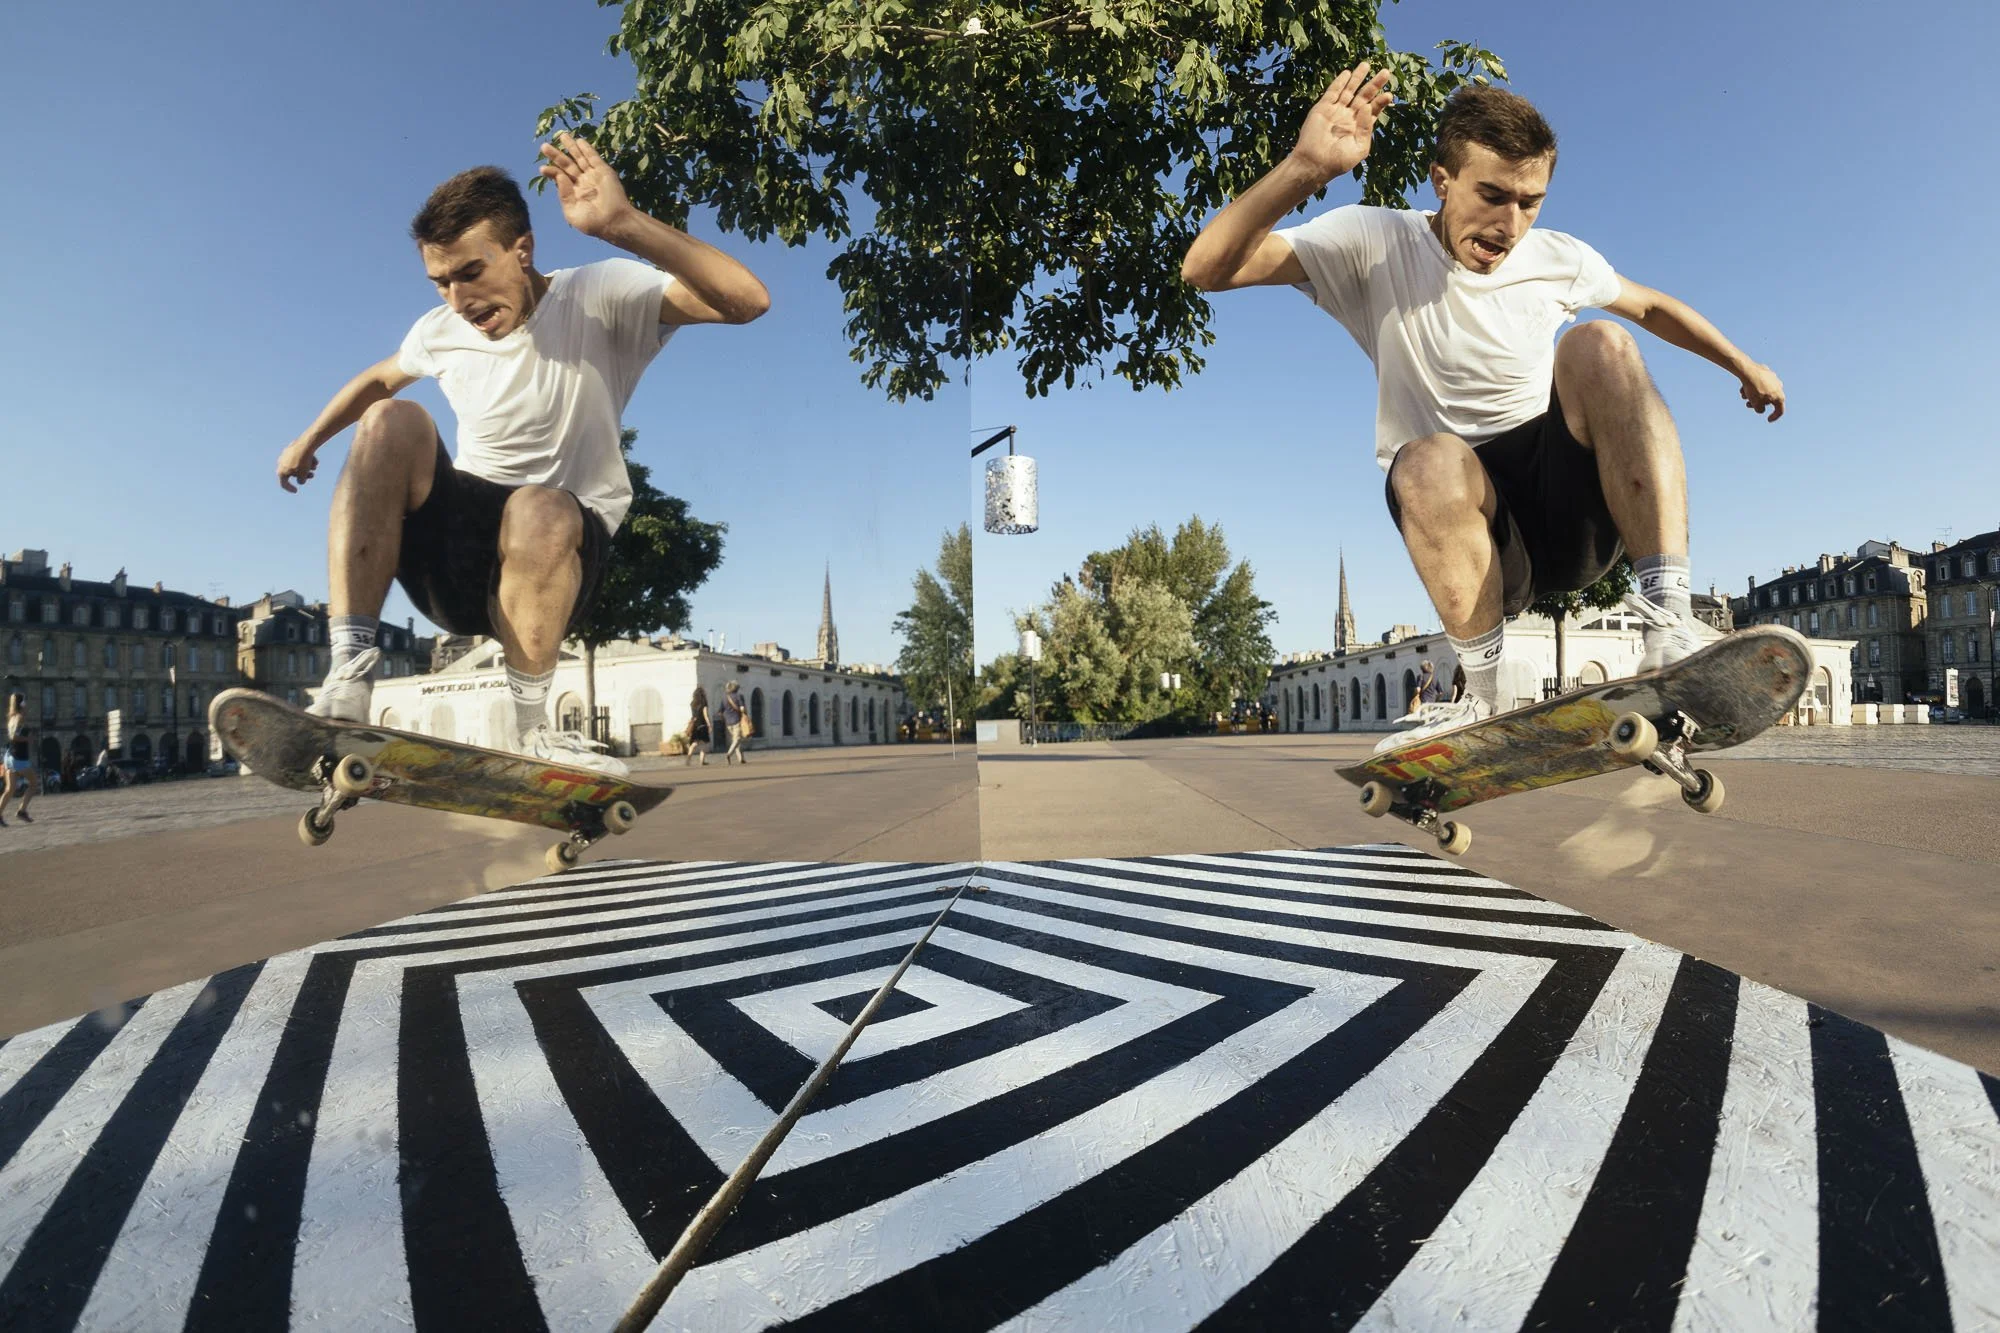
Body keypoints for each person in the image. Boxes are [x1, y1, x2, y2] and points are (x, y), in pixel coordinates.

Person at [1183, 66, 1783, 754]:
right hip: (1471, 528)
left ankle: (1667, 619)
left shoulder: (1558, 257)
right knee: (1427, 458)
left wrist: (1743, 363)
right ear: (1442, 181)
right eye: (1492, 196)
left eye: (1531, 203)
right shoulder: (1372, 242)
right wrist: (1303, 167)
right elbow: (1206, 268)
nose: (1510, 226)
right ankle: (1486, 691)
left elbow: (1650, 306)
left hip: (1570, 511)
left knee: (1601, 342)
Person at [275, 133, 770, 776]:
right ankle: (350, 675)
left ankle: (533, 730)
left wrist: (623, 224)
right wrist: (309, 438)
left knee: (537, 507)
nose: (460, 302)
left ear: (522, 250)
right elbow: (378, 380)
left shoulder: (600, 295)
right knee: (390, 420)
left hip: (559, 555)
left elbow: (747, 301)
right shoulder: (440, 330)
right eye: (441, 282)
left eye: (472, 273)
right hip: (457, 564)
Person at [1, 693, 36, 825]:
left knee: (10, 789)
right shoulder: (20, 718)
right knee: (33, 784)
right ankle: (22, 811)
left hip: (9, 756)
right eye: (25, 702)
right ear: (21, 704)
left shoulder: (11, 718)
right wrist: (28, 738)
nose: (26, 705)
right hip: (19, 758)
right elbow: (14, 737)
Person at [719, 681, 750, 765]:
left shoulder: (724, 698)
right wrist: (745, 714)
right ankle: (729, 754)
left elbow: (720, 711)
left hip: (728, 722)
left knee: (736, 740)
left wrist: (724, 718)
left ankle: (741, 758)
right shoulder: (739, 696)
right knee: (737, 739)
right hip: (737, 720)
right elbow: (742, 708)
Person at [684, 684, 713, 766]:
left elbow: (693, 714)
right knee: (704, 743)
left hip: (695, 724)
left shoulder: (692, 703)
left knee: (694, 743)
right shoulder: (704, 703)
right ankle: (702, 760)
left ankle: (688, 760)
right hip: (702, 724)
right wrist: (709, 724)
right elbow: (705, 714)